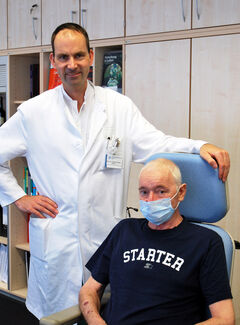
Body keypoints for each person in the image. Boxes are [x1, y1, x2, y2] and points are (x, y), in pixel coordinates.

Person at [0, 22, 230, 319]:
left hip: (106, 236)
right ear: (53, 61)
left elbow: (156, 143)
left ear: (92, 56)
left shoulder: (119, 107)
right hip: (57, 243)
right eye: (64, 57)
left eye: (79, 56)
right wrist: (19, 198)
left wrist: (198, 145)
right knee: (57, 317)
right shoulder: (33, 113)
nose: (73, 65)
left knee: (110, 311)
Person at [79, 158, 235, 325]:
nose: (151, 200)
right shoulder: (124, 230)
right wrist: (96, 322)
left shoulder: (206, 242)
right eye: (144, 192)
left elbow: (225, 319)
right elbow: (89, 290)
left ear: (181, 192)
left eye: (161, 191)